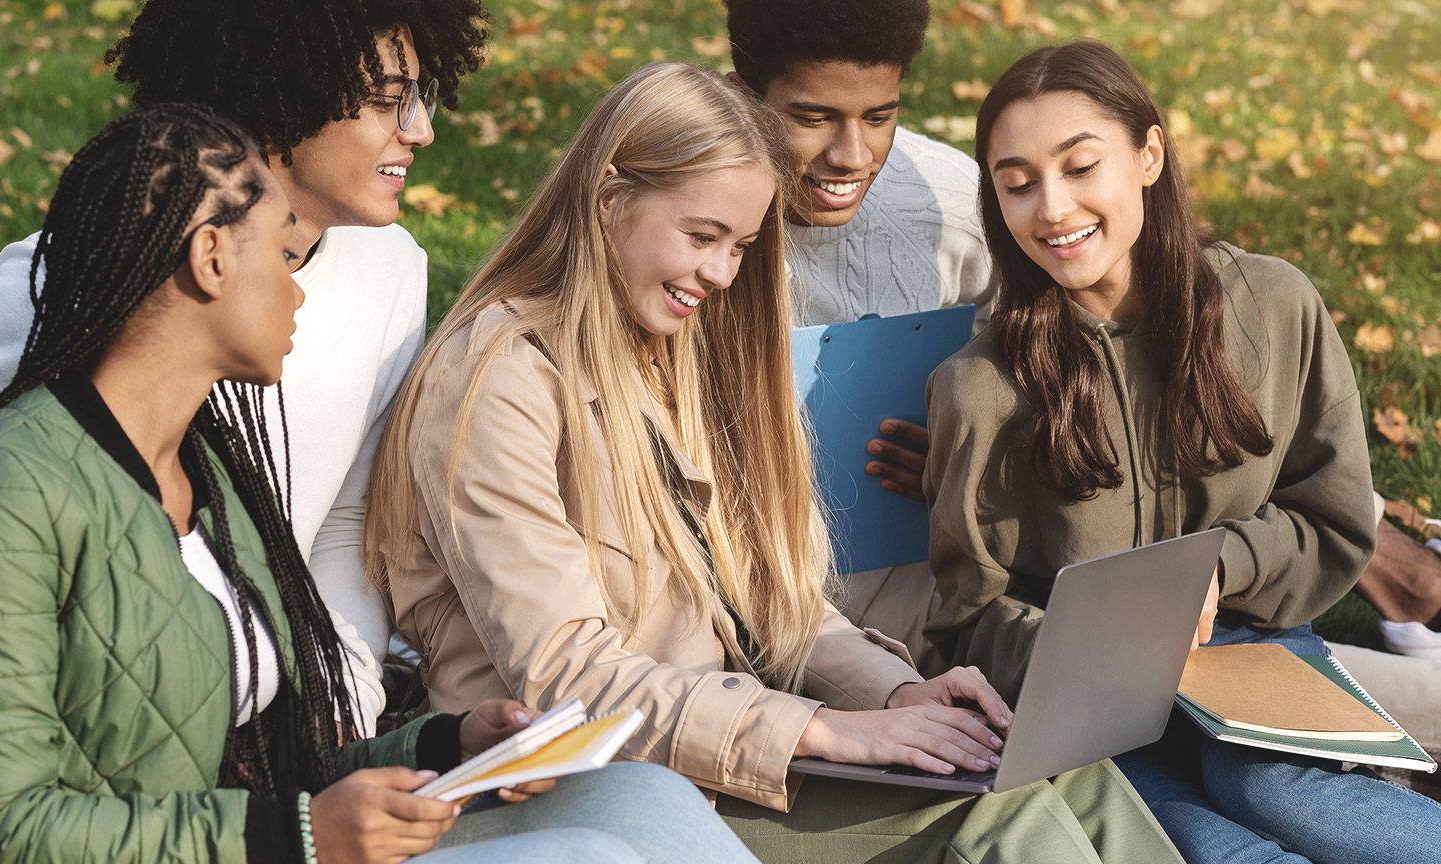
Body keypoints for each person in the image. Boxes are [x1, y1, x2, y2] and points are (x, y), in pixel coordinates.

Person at [365, 61, 1184, 864]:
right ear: (610, 199)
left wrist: (894, 695)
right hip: (601, 787)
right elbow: (570, 679)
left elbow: (770, 592)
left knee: (1066, 776)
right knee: (994, 816)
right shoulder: (498, 375)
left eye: (742, 245)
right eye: (702, 236)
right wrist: (827, 731)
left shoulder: (665, 349)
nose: (722, 273)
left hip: (729, 746)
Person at [0, 103, 759, 864]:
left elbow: (265, 768)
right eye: (282, 253)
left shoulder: (210, 475)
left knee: (645, 795)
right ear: (209, 258)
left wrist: (447, 746)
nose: (300, 289)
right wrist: (296, 839)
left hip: (255, 842)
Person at [0, 0, 490, 734]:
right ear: (283, 98)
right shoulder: (105, 273)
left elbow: (344, 516)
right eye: (384, 102)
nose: (421, 130)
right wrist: (11, 598)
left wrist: (342, 703)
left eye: (419, 96)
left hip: (265, 702)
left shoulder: (393, 269)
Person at [921, 39, 1441, 863]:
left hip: (1255, 648)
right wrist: (1079, 641)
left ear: (1149, 154)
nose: (1051, 207)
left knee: (1268, 787)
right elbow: (963, 620)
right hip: (1094, 706)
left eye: (1080, 166)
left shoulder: (1272, 306)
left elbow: (1332, 515)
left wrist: (1221, 565)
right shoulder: (978, 388)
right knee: (1199, 843)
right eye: (1017, 184)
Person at [725, 0, 992, 671]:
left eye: (880, 117)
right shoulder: (685, 207)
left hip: (924, 593)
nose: (851, 155)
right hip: (739, 601)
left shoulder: (951, 202)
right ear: (744, 95)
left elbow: (1039, 364)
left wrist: (969, 451)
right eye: (812, 118)